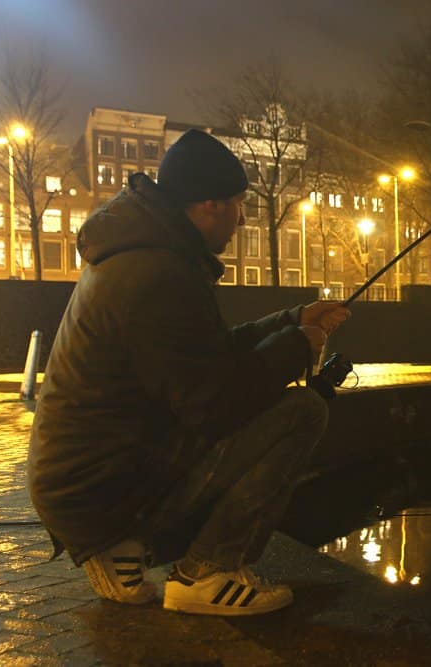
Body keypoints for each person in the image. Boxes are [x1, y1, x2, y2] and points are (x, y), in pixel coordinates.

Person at [28, 129, 350, 616]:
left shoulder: (142, 256)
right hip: (96, 489)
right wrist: (295, 349)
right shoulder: (159, 274)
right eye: (239, 204)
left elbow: (205, 357)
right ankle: (204, 573)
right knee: (302, 411)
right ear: (209, 206)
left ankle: (118, 545)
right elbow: (213, 405)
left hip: (83, 481)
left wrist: (292, 322)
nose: (243, 218)